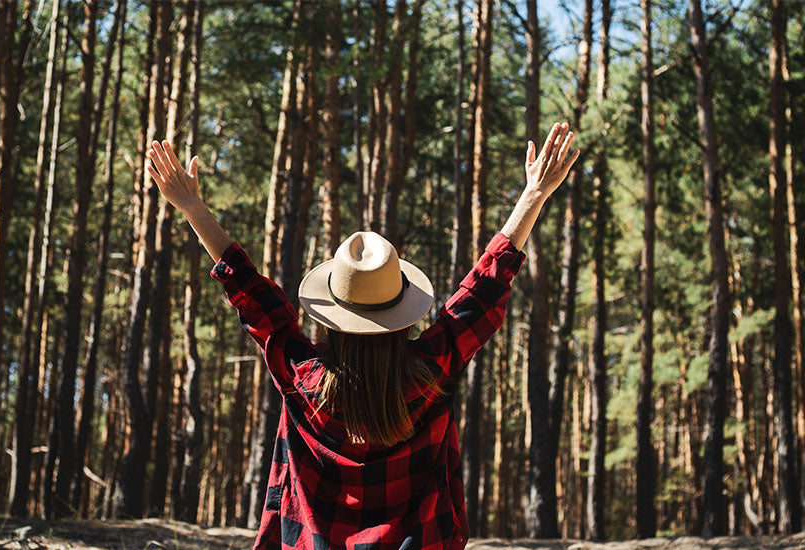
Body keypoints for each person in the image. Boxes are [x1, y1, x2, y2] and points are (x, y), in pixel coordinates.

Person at [146, 122, 579, 549]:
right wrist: (533, 195)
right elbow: (481, 293)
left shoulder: (301, 377)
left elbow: (252, 294)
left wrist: (192, 207)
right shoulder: (432, 370)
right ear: (403, 313)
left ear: (331, 315)